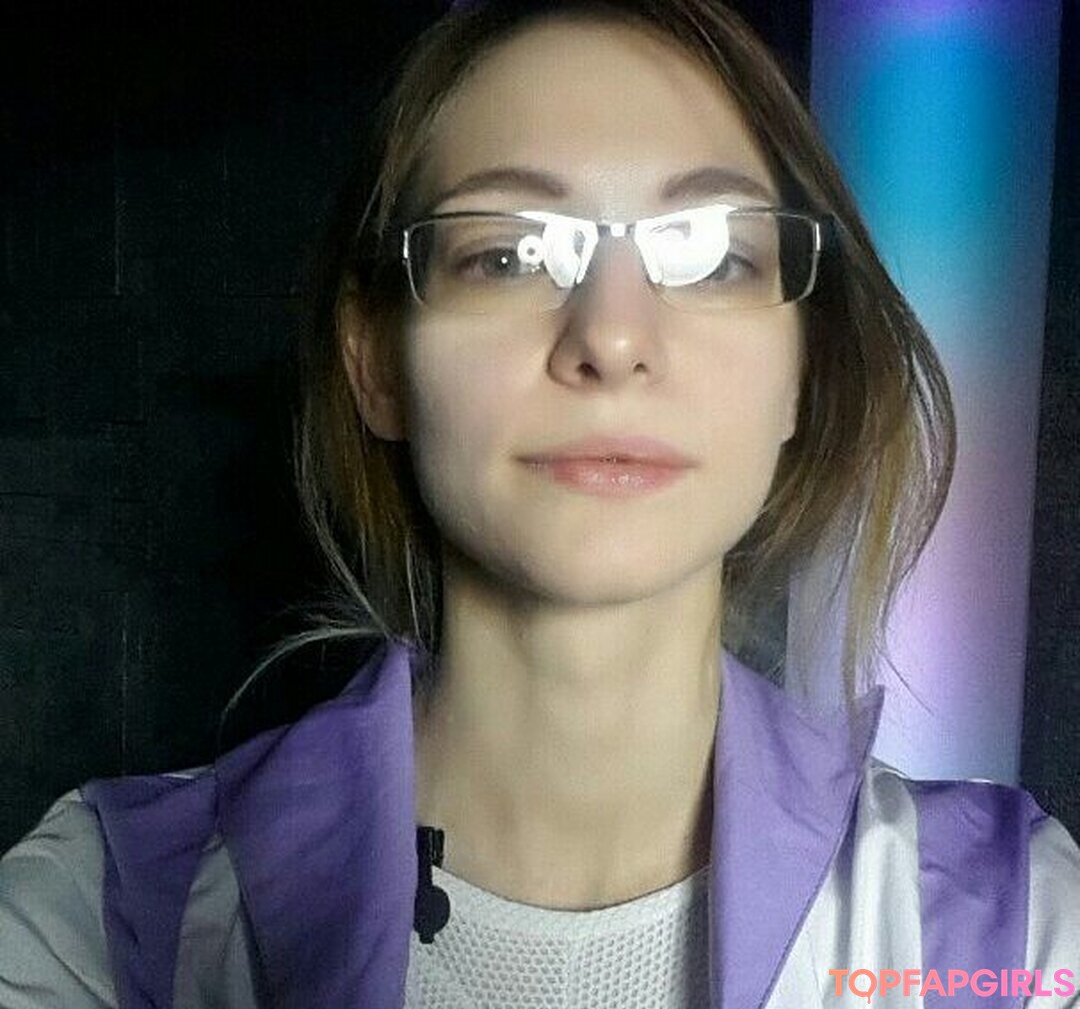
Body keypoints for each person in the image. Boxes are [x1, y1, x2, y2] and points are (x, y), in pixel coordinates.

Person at [2, 1, 1078, 1007]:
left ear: (804, 369)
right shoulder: (103, 920)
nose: (611, 336)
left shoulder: (1018, 931)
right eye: (510, 253)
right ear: (375, 360)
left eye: (710, 253)